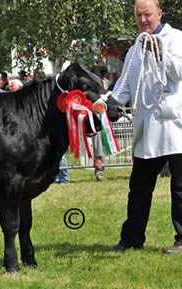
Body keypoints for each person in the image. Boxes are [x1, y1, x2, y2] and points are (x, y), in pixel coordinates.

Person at [108, 0, 182, 253]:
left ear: (159, 13)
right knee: (139, 187)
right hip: (147, 127)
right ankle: (131, 239)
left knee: (181, 187)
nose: (143, 20)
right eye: (139, 15)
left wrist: (161, 52)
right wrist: (111, 103)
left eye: (148, 14)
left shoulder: (178, 39)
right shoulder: (134, 50)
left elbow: (179, 72)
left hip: (176, 126)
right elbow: (126, 85)